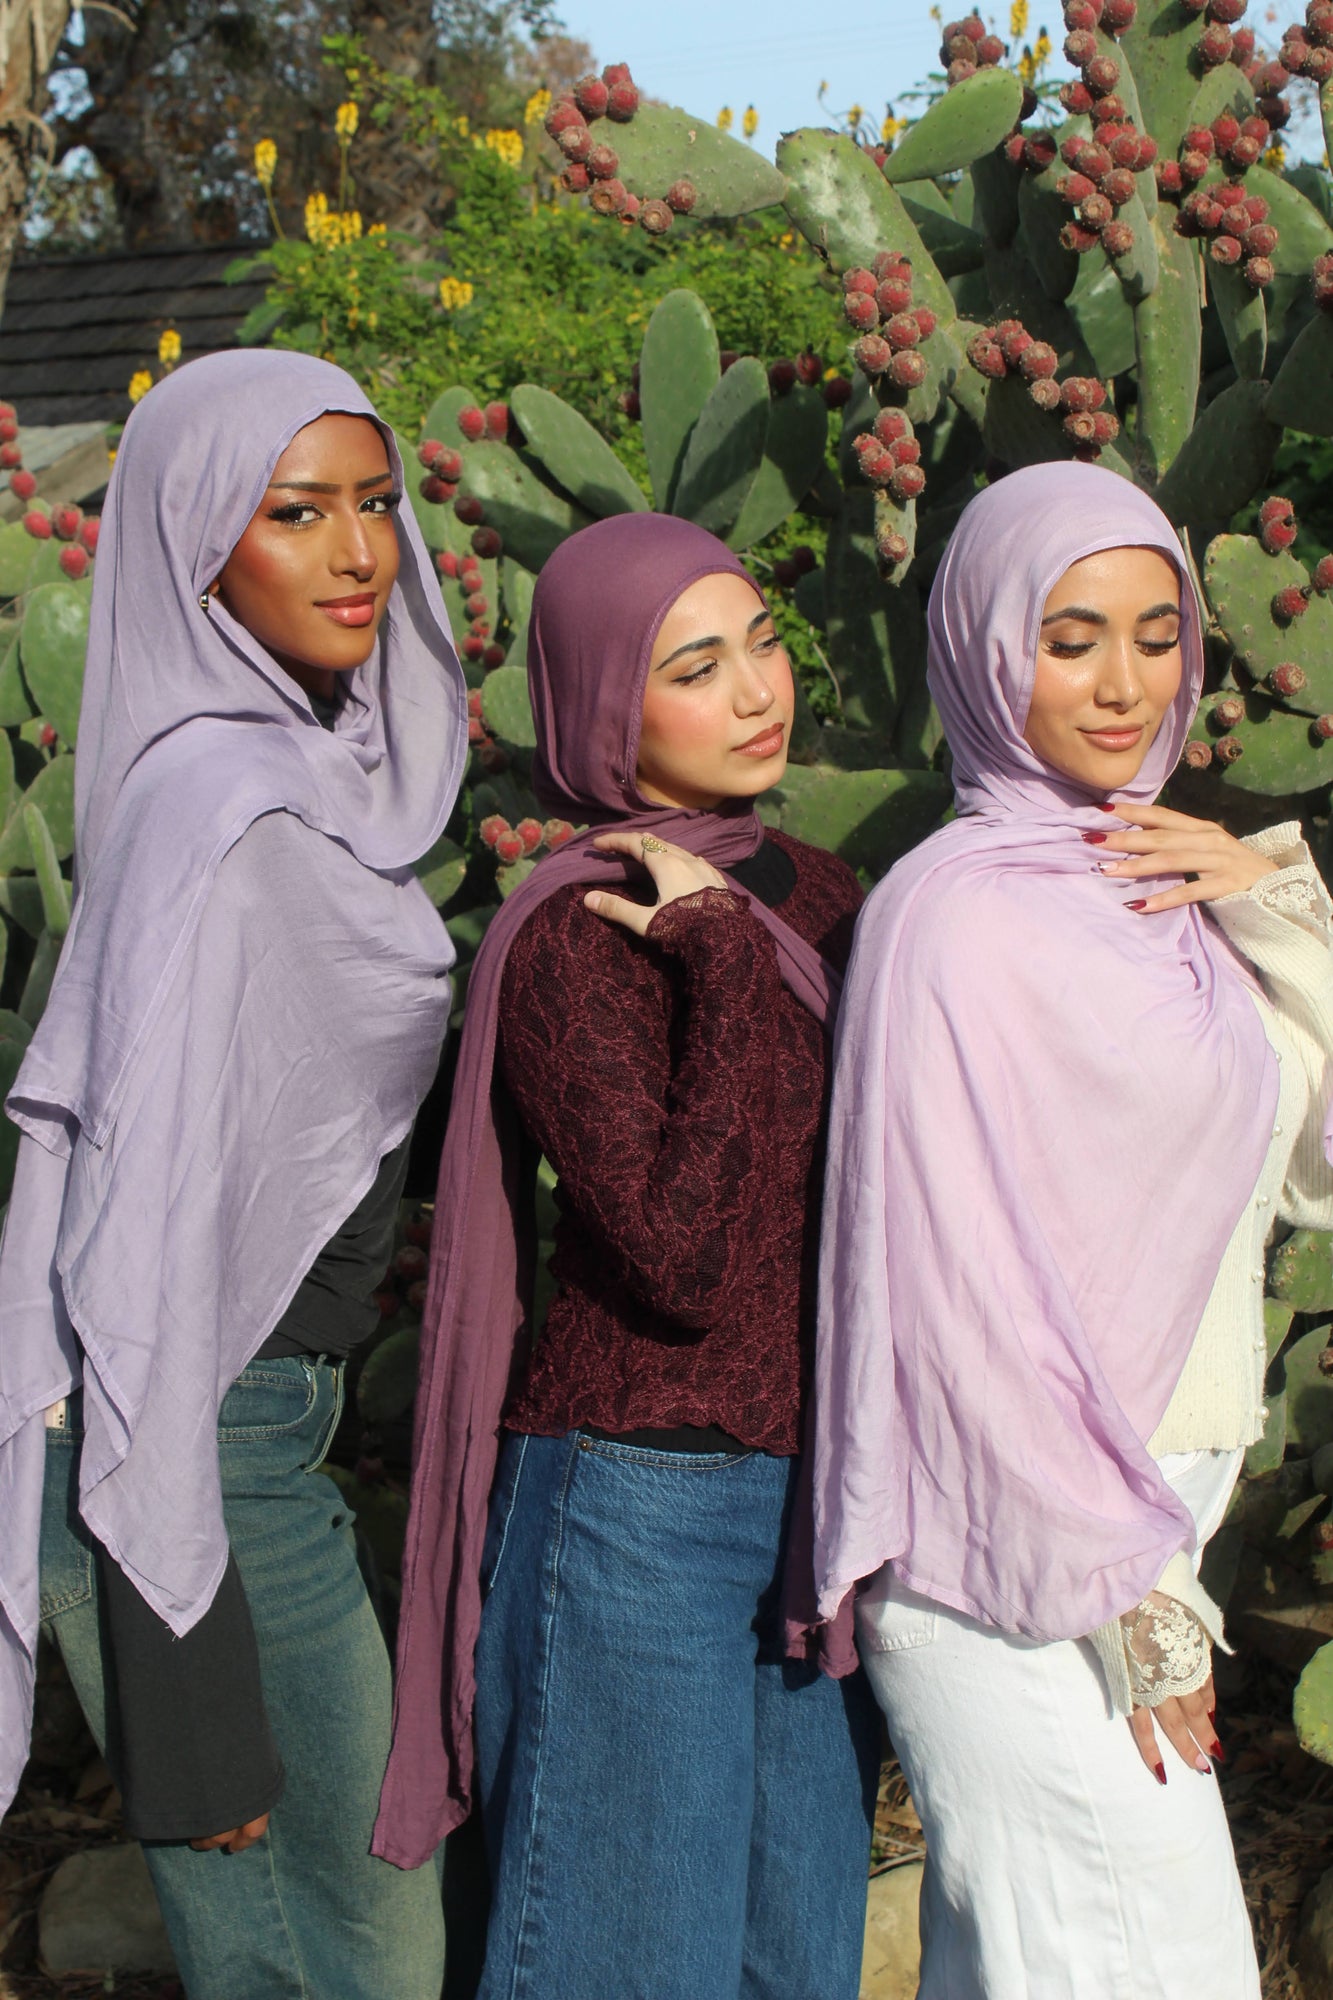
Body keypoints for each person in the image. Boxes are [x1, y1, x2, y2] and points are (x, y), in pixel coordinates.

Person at [811, 460, 1333, 1998]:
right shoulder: (951, 920)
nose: (1123, 685)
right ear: (985, 652)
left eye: (1157, 637)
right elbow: (957, 1297)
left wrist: (1266, 895)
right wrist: (1122, 1584)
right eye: (1069, 639)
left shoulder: (1156, 885)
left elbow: (1310, 1161)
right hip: (1023, 1566)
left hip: (1137, 1535)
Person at [0, 349, 468, 2000]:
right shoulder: (226, 807)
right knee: (348, 1956)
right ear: (196, 547)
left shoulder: (293, 781)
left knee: (339, 1946)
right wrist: (183, 1682)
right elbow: (130, 1270)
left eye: (375, 503)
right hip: (192, 1453)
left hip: (247, 1437)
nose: (357, 552)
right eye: (294, 512)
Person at [374, 514, 881, 1997]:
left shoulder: (831, 893)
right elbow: (677, 1257)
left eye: (763, 643)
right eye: (695, 667)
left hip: (818, 1512)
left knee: (797, 1964)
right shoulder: (570, 935)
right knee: (626, 1966)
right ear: (605, 706)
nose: (756, 691)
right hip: (637, 1508)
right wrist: (716, 956)